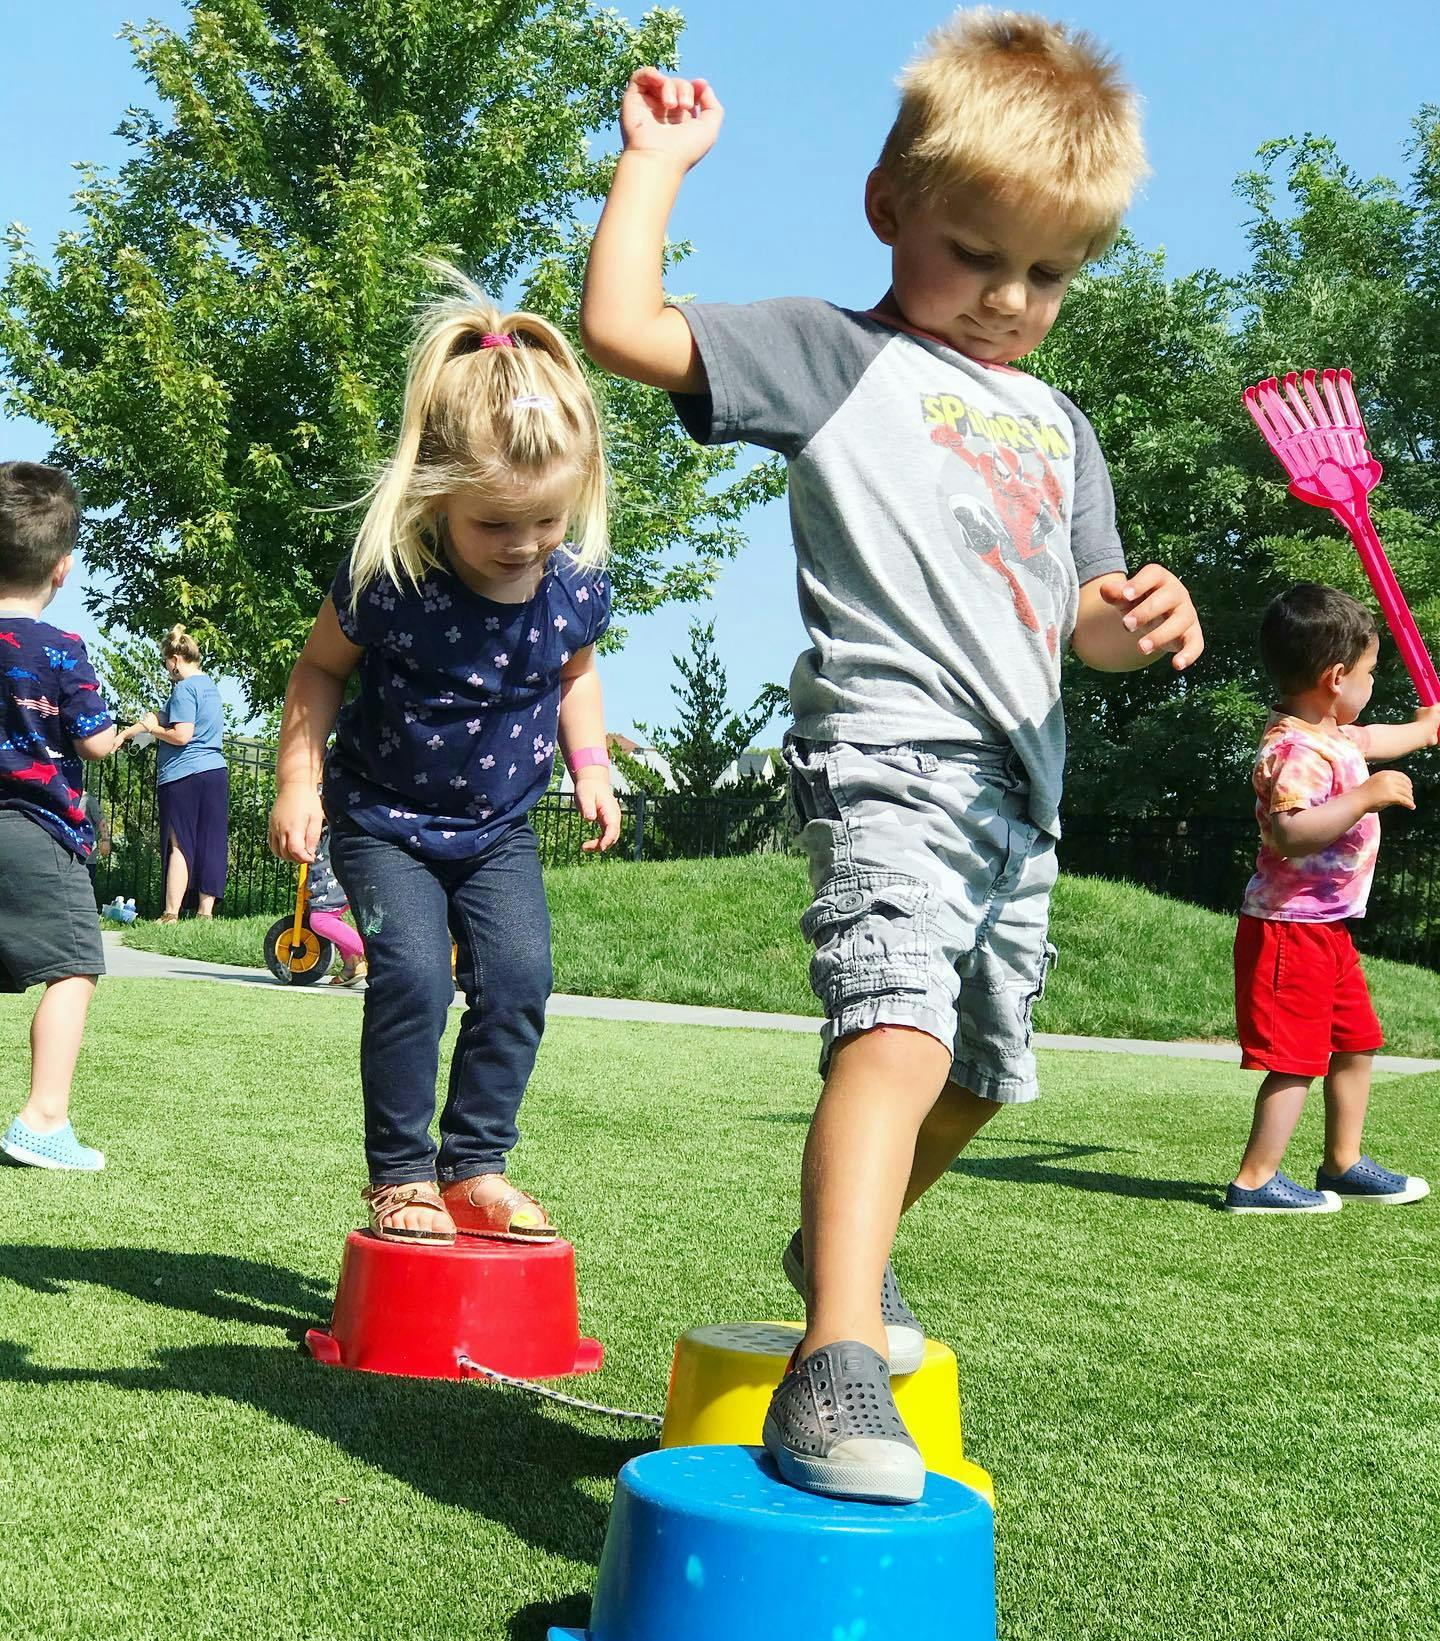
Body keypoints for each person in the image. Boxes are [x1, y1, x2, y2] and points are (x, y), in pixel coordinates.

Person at [581, 13, 1203, 1502]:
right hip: (887, 756)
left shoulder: (1061, 426)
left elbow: (1081, 621)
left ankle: (834, 1252)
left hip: (1022, 795)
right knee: (898, 1035)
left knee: (979, 1074)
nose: (1009, 298)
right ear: (888, 208)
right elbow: (626, 327)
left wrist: (1142, 618)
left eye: (1049, 274)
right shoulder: (836, 357)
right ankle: (836, 1359)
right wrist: (655, 164)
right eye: (976, 254)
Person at [268, 266, 621, 1248]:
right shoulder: (393, 580)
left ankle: (475, 1164)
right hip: (384, 823)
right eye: (495, 524)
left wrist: (591, 764)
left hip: (497, 831)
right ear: (433, 497)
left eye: (546, 521)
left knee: (519, 978)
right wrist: (298, 780)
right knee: (415, 978)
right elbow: (317, 670)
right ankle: (400, 1175)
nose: (524, 544)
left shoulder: (575, 587)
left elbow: (577, 674)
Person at [1226, 585, 1438, 1215]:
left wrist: (1426, 729)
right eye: (1369, 673)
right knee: (1295, 1058)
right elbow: (1290, 834)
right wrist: (1365, 797)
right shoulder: (1294, 750)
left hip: (1328, 928)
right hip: (1289, 928)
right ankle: (1254, 1180)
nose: (1372, 685)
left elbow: (1379, 738)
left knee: (1355, 1040)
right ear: (1336, 677)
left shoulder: (1334, 734)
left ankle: (1343, 1163)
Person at [0, 462, 124, 1171]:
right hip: (37, 831)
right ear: (62, 568)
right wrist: (121, 732)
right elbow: (94, 742)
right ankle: (43, 1119)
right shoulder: (61, 650)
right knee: (73, 967)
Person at [120, 627, 229, 920]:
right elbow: (161, 716)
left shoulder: (183, 689)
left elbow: (181, 735)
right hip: (215, 771)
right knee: (211, 842)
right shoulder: (209, 686)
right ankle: (205, 914)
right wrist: (126, 734)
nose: (166, 668)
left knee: (179, 843)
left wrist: (155, 731)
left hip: (183, 775)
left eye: (165, 662)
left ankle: (170, 914)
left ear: (176, 659)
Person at [307, 824, 367, 986]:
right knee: (331, 916)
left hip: (334, 853)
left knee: (321, 919)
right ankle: (353, 963)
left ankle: (376, 954)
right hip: (339, 848)